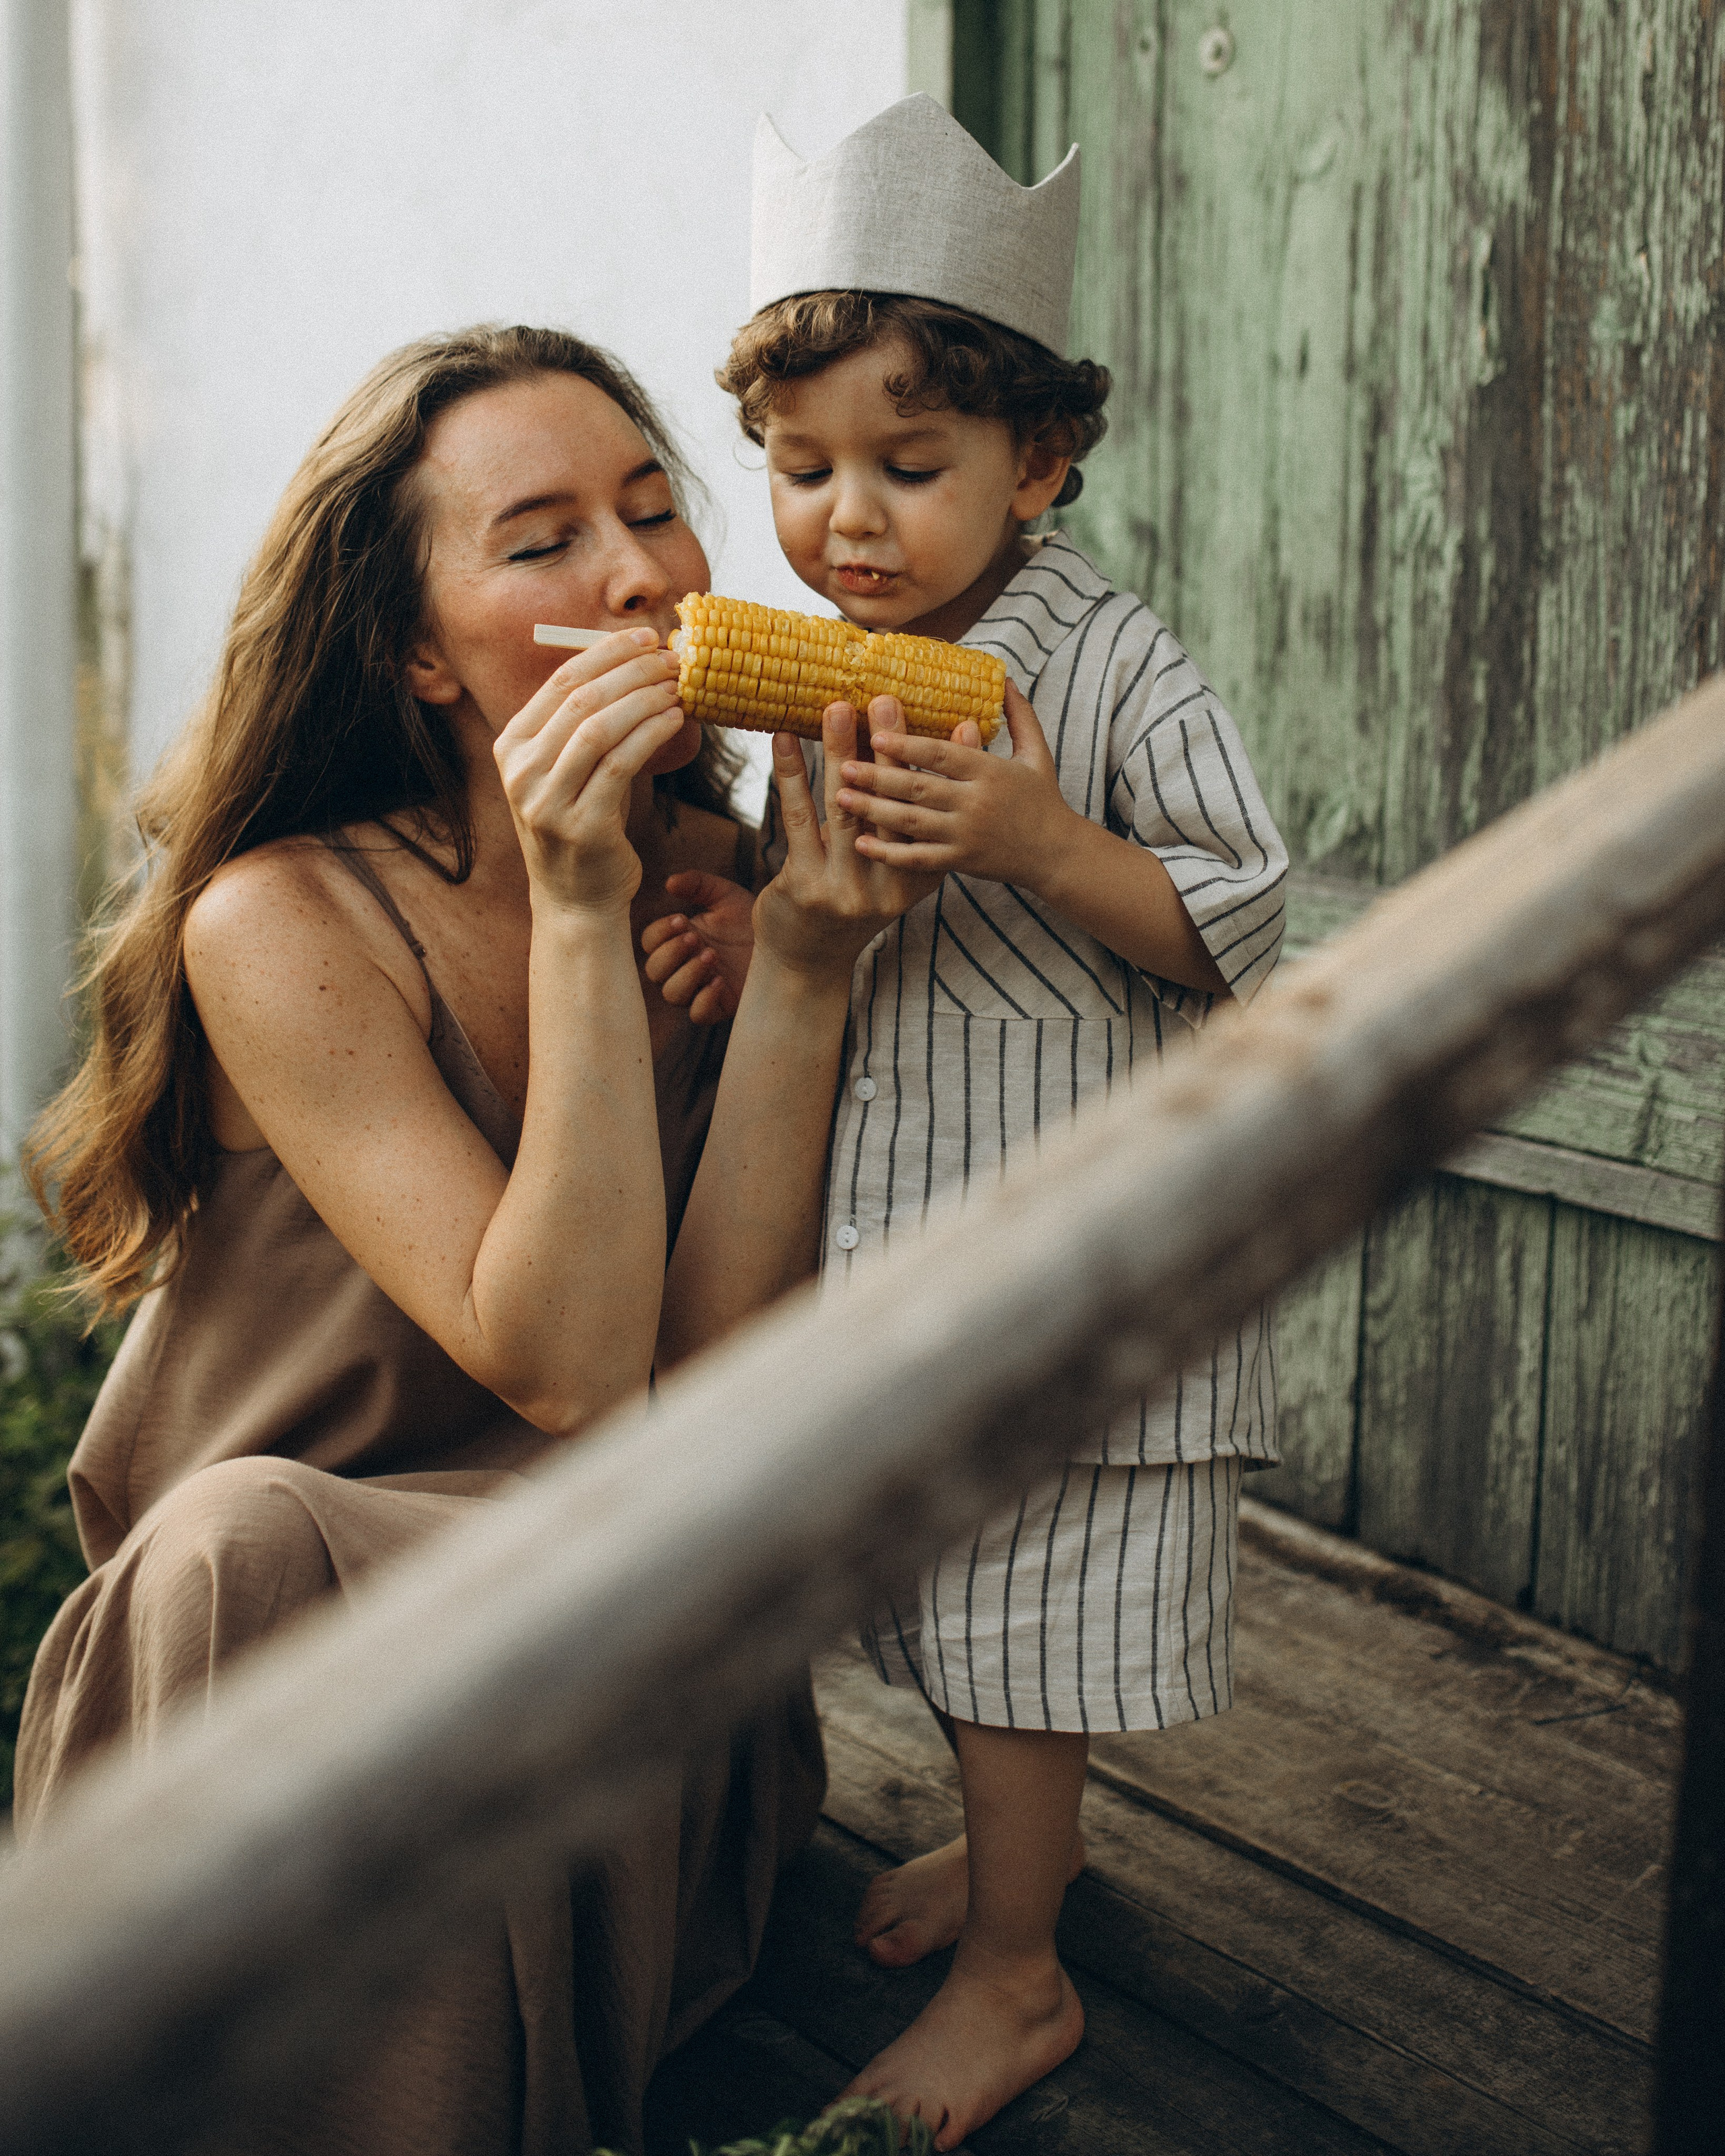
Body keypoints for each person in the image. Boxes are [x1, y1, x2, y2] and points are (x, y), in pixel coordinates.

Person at [18, 323, 934, 2156]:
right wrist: (576, 916)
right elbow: (558, 1357)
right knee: (240, 1537)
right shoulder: (279, 923)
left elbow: (690, 1389)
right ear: (414, 650)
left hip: (605, 1590)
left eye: (656, 510)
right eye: (543, 540)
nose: (642, 576)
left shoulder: (732, 892)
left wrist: (813, 966)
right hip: (282, 1607)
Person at [646, 100, 1288, 2149]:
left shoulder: (1103, 665)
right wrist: (746, 945)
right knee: (944, 1597)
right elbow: (831, 922)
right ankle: (1030, 1861)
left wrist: (1044, 838)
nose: (846, 518)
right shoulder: (834, 668)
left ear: (1039, 460)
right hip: (899, 1252)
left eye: (909, 470)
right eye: (801, 466)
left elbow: (1240, 920)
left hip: (1075, 1254)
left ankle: (1020, 1977)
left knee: (1025, 1617)